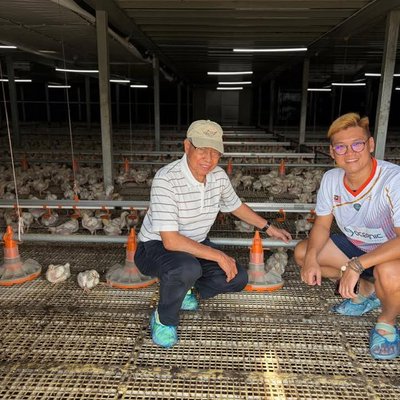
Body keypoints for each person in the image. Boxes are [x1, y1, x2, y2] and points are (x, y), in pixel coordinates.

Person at [135, 119, 292, 348]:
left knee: (237, 278)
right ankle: (164, 318)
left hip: (195, 245)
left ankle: (184, 289)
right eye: (202, 149)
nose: (208, 158)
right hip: (154, 247)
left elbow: (236, 206)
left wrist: (269, 228)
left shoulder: (218, 176)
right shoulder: (166, 178)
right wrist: (218, 255)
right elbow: (170, 241)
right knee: (187, 268)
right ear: (187, 146)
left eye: (215, 152)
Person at [294, 112, 400, 360]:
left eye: (357, 144)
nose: (349, 153)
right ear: (332, 152)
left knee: (389, 272)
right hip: (358, 246)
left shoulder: (393, 180)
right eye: (341, 147)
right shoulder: (331, 179)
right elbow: (322, 226)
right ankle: (366, 290)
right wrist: (311, 258)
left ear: (370, 145)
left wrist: (357, 265)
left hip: (390, 253)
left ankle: (387, 321)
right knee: (303, 253)